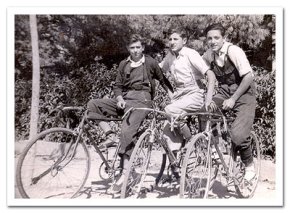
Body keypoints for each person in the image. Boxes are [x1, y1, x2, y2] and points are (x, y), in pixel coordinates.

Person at [87, 34, 173, 193]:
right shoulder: (123, 64)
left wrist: (173, 98)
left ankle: (127, 173)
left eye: (138, 47)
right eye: (132, 48)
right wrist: (119, 98)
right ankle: (110, 135)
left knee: (127, 131)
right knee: (93, 105)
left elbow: (163, 80)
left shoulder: (150, 62)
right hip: (125, 100)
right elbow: (117, 86)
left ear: (142, 48)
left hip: (142, 100)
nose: (135, 51)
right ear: (128, 49)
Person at [202, 23, 257, 182]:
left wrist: (233, 99)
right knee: (205, 111)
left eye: (216, 38)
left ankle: (249, 166)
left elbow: (248, 77)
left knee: (238, 134)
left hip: (244, 92)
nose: (213, 41)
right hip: (225, 91)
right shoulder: (209, 55)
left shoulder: (234, 51)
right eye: (209, 38)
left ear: (224, 38)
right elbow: (201, 72)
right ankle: (214, 149)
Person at [160, 28, 215, 177]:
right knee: (165, 134)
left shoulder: (191, 54)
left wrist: (208, 99)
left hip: (195, 93)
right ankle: (178, 167)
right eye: (170, 39)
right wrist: (169, 92)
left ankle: (192, 142)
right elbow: (158, 73)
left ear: (184, 41)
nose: (172, 42)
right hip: (179, 95)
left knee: (169, 110)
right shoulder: (169, 56)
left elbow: (210, 75)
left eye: (175, 39)